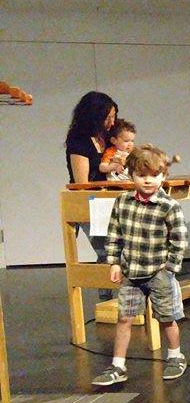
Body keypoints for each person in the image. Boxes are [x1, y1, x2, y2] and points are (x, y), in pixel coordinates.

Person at [92, 145, 188, 386]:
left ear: (163, 176)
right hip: (131, 272)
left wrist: (170, 269)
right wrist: (113, 262)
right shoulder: (123, 202)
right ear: (131, 174)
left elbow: (179, 239)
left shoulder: (169, 206)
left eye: (154, 175)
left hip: (159, 272)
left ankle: (176, 356)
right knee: (124, 318)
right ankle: (118, 365)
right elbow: (114, 233)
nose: (148, 180)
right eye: (141, 175)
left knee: (166, 317)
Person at [65, 91, 118, 300]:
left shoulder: (107, 136)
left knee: (118, 249)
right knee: (106, 251)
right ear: (95, 115)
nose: (111, 122)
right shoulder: (79, 139)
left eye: (113, 116)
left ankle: (117, 297)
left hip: (110, 201)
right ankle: (107, 299)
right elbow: (82, 183)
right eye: (108, 117)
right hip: (90, 203)